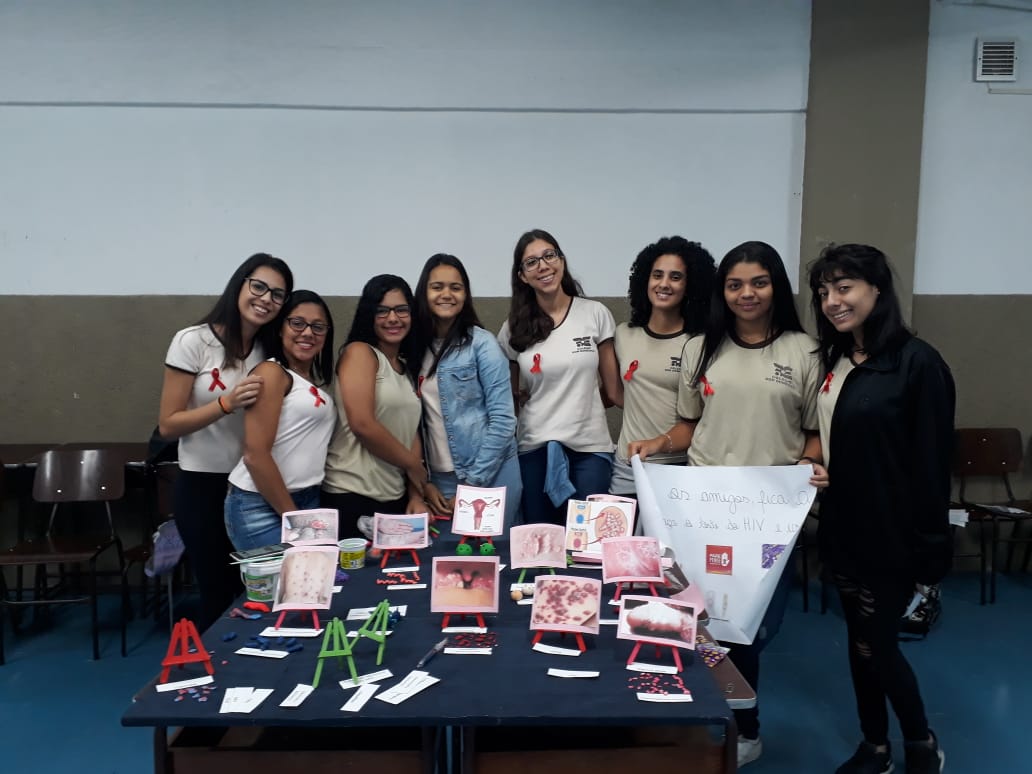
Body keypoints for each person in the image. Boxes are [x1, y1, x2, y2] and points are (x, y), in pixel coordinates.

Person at [630, 240, 827, 768]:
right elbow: (688, 425)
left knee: (753, 627)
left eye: (758, 283)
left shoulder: (805, 352)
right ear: (722, 291)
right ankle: (702, 722)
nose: (747, 294)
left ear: (776, 287)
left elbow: (814, 432)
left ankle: (743, 727)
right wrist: (656, 444)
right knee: (695, 619)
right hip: (704, 511)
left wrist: (807, 464)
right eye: (735, 284)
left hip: (768, 518)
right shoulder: (701, 349)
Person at [808, 244, 953, 774]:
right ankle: (875, 746)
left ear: (877, 289)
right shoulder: (836, 360)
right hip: (843, 525)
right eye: (824, 291)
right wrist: (823, 467)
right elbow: (838, 438)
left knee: (878, 643)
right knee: (859, 642)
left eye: (844, 287)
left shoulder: (918, 363)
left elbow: (932, 463)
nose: (832, 301)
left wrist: (930, 551)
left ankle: (921, 741)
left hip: (892, 533)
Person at [158, 252, 293, 630]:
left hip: (251, 489)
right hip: (203, 486)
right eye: (259, 287)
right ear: (239, 285)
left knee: (260, 592)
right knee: (217, 593)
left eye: (277, 295)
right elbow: (168, 425)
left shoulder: (270, 351)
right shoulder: (193, 341)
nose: (266, 299)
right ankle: (215, 664)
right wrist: (225, 404)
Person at [497, 229, 621, 524]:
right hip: (535, 449)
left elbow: (614, 392)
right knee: (541, 543)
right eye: (531, 262)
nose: (543, 266)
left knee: (588, 542)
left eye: (549, 256)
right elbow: (508, 402)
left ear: (561, 261)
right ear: (522, 276)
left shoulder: (595, 314)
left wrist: (580, 406)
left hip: (590, 449)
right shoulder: (513, 328)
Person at [412, 254, 522, 529]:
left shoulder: (482, 345)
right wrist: (424, 483)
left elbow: (503, 420)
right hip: (439, 481)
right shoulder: (413, 348)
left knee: (493, 552)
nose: (446, 294)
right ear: (424, 292)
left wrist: (473, 484)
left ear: (465, 294)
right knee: (448, 554)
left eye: (456, 287)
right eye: (437, 287)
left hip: (492, 473)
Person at [224, 290, 337, 551]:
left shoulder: (309, 383)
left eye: (318, 327)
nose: (307, 333)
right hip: (260, 506)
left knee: (313, 576)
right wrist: (294, 519)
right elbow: (255, 455)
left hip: (307, 499)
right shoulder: (271, 372)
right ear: (280, 328)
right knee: (285, 579)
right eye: (297, 323)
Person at [609, 236, 716, 497]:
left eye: (675, 277)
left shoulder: (700, 344)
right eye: (657, 275)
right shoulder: (624, 334)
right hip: (628, 467)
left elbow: (704, 418)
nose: (664, 284)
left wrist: (659, 442)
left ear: (690, 285)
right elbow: (622, 395)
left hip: (678, 468)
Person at [321, 275, 426, 538]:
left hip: (394, 497)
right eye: (382, 311)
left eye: (401, 310)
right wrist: (415, 467)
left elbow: (409, 430)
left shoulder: (404, 368)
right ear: (369, 315)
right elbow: (362, 424)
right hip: (351, 494)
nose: (393, 318)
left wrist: (416, 494)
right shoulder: (359, 352)